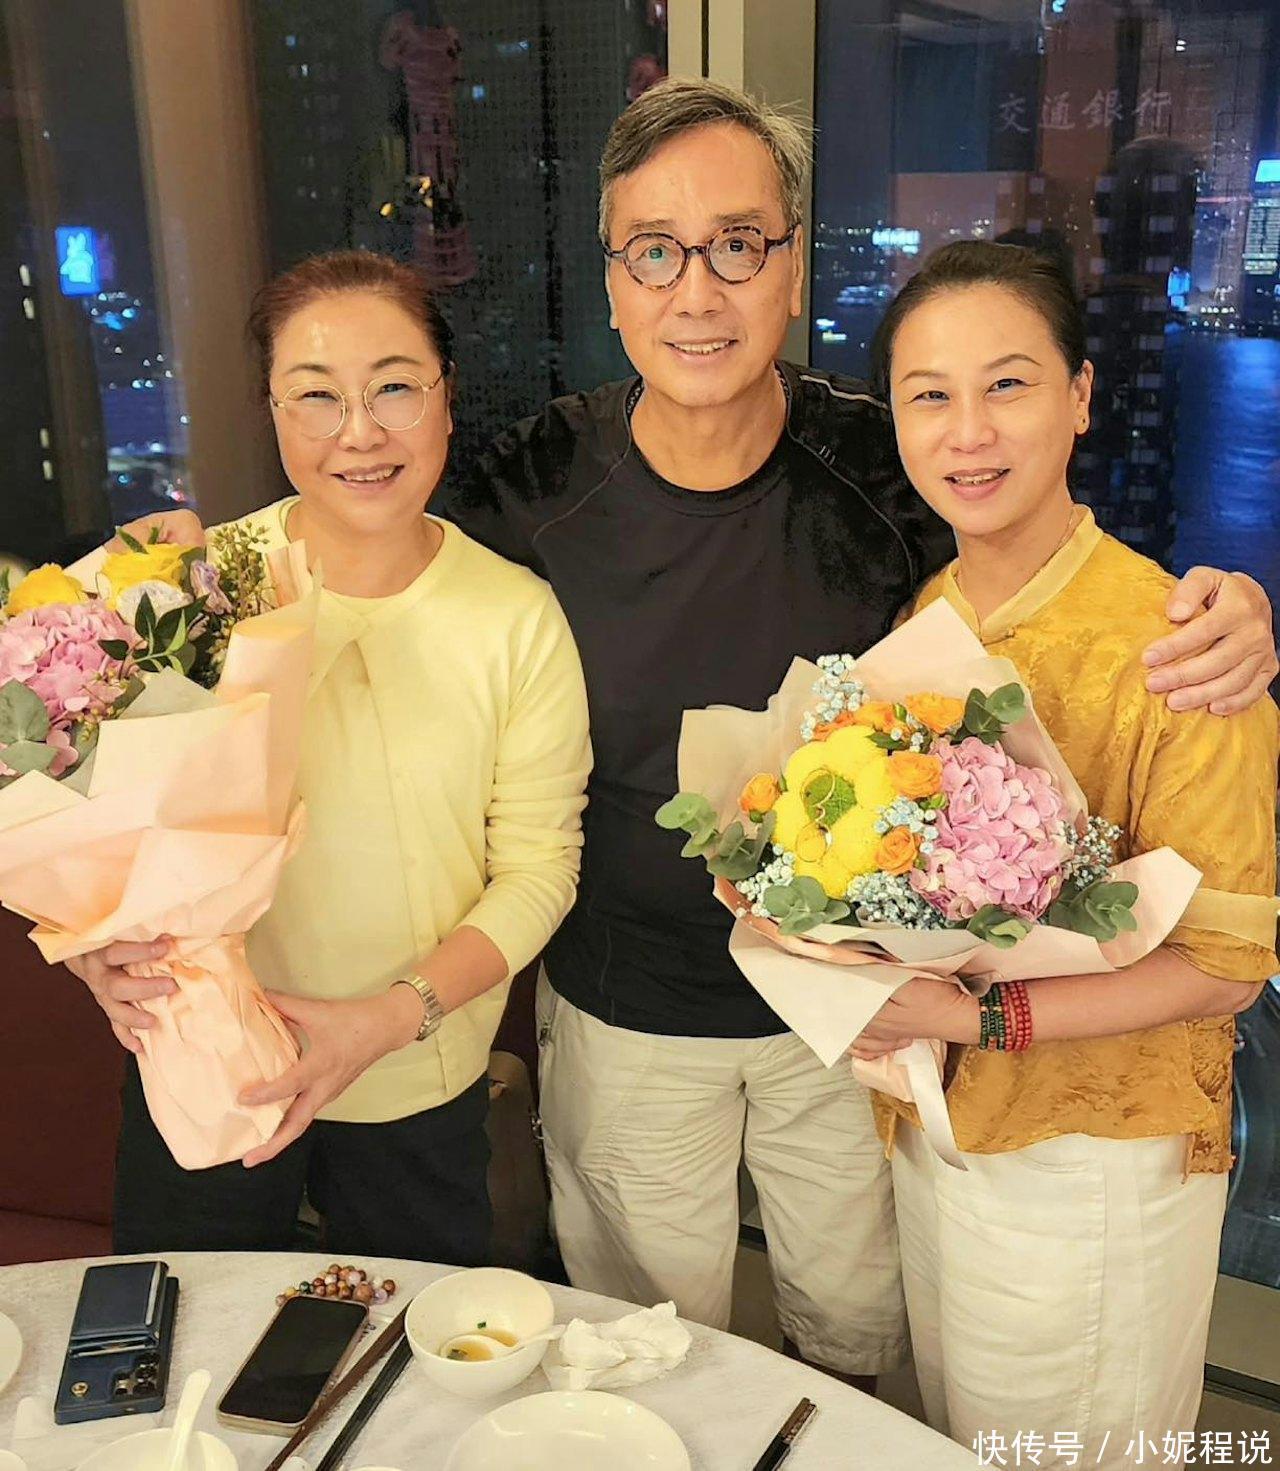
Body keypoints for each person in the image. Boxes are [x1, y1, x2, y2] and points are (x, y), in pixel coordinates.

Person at [113, 80, 1277, 1386]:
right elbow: (370, 534)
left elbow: (1037, 573)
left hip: (855, 1014)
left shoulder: (887, 466)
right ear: (612, 285)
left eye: (738, 244)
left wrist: (1224, 607)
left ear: (792, 267)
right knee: (635, 1347)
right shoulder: (534, 483)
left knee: (855, 1333)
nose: (697, 291)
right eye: (654, 252)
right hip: (620, 1013)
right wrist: (166, 590)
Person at [67, 250, 592, 1261]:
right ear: (272, 411)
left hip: (414, 1072)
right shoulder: (192, 589)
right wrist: (96, 950)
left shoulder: (514, 617)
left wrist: (391, 1019)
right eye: (315, 395)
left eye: (393, 388)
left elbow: (539, 871)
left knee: (412, 1341)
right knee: (188, 1336)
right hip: (206, 1050)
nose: (358, 432)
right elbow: (77, 800)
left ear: (445, 400)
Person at [850, 240, 1278, 1461]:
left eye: (1007, 384)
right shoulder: (921, 620)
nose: (967, 432)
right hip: (932, 1126)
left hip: (1094, 1160)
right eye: (928, 394)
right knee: (959, 1432)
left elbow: (1224, 969)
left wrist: (971, 1014)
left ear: (1080, 395)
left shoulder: (1179, 646)